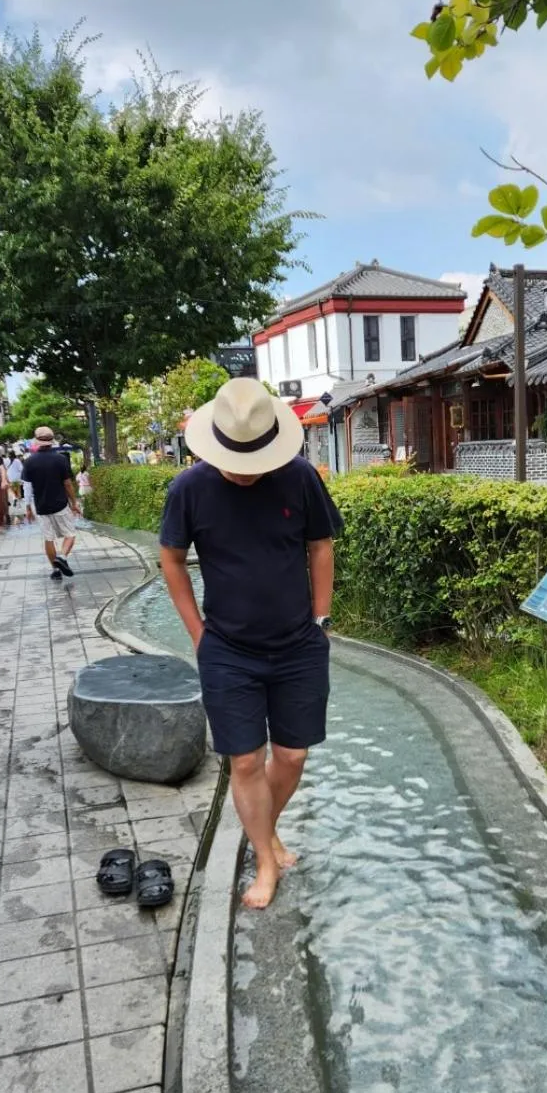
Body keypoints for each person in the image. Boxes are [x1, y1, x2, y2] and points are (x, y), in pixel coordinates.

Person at [159, 378, 342, 910]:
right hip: (228, 648)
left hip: (297, 644)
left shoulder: (299, 477)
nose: (245, 468)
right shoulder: (189, 489)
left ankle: (266, 828)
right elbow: (170, 559)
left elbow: (321, 545)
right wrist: (198, 634)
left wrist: (321, 619)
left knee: (291, 754)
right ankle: (264, 858)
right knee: (245, 762)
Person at [21, 426, 82, 581]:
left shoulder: (29, 462)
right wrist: (74, 503)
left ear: (36, 441)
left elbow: (27, 487)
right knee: (70, 534)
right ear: (51, 441)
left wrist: (27, 507)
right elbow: (68, 484)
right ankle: (62, 557)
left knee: (49, 539)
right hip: (60, 504)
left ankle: (55, 570)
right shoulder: (61, 459)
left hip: (41, 506)